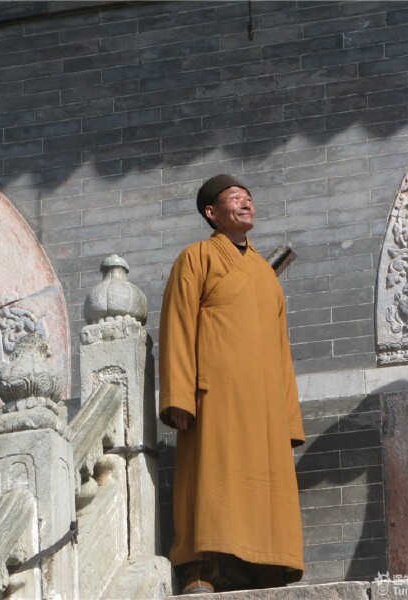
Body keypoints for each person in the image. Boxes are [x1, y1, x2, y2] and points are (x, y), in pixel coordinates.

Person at [159, 175, 305, 594]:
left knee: (267, 483)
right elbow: (178, 325)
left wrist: (288, 416)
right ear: (213, 213)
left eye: (249, 199)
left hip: (263, 402)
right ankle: (199, 569)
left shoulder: (263, 271)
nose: (247, 205)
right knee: (210, 479)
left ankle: (269, 566)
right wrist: (178, 394)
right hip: (215, 394)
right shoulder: (196, 257)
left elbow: (282, 348)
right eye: (235, 200)